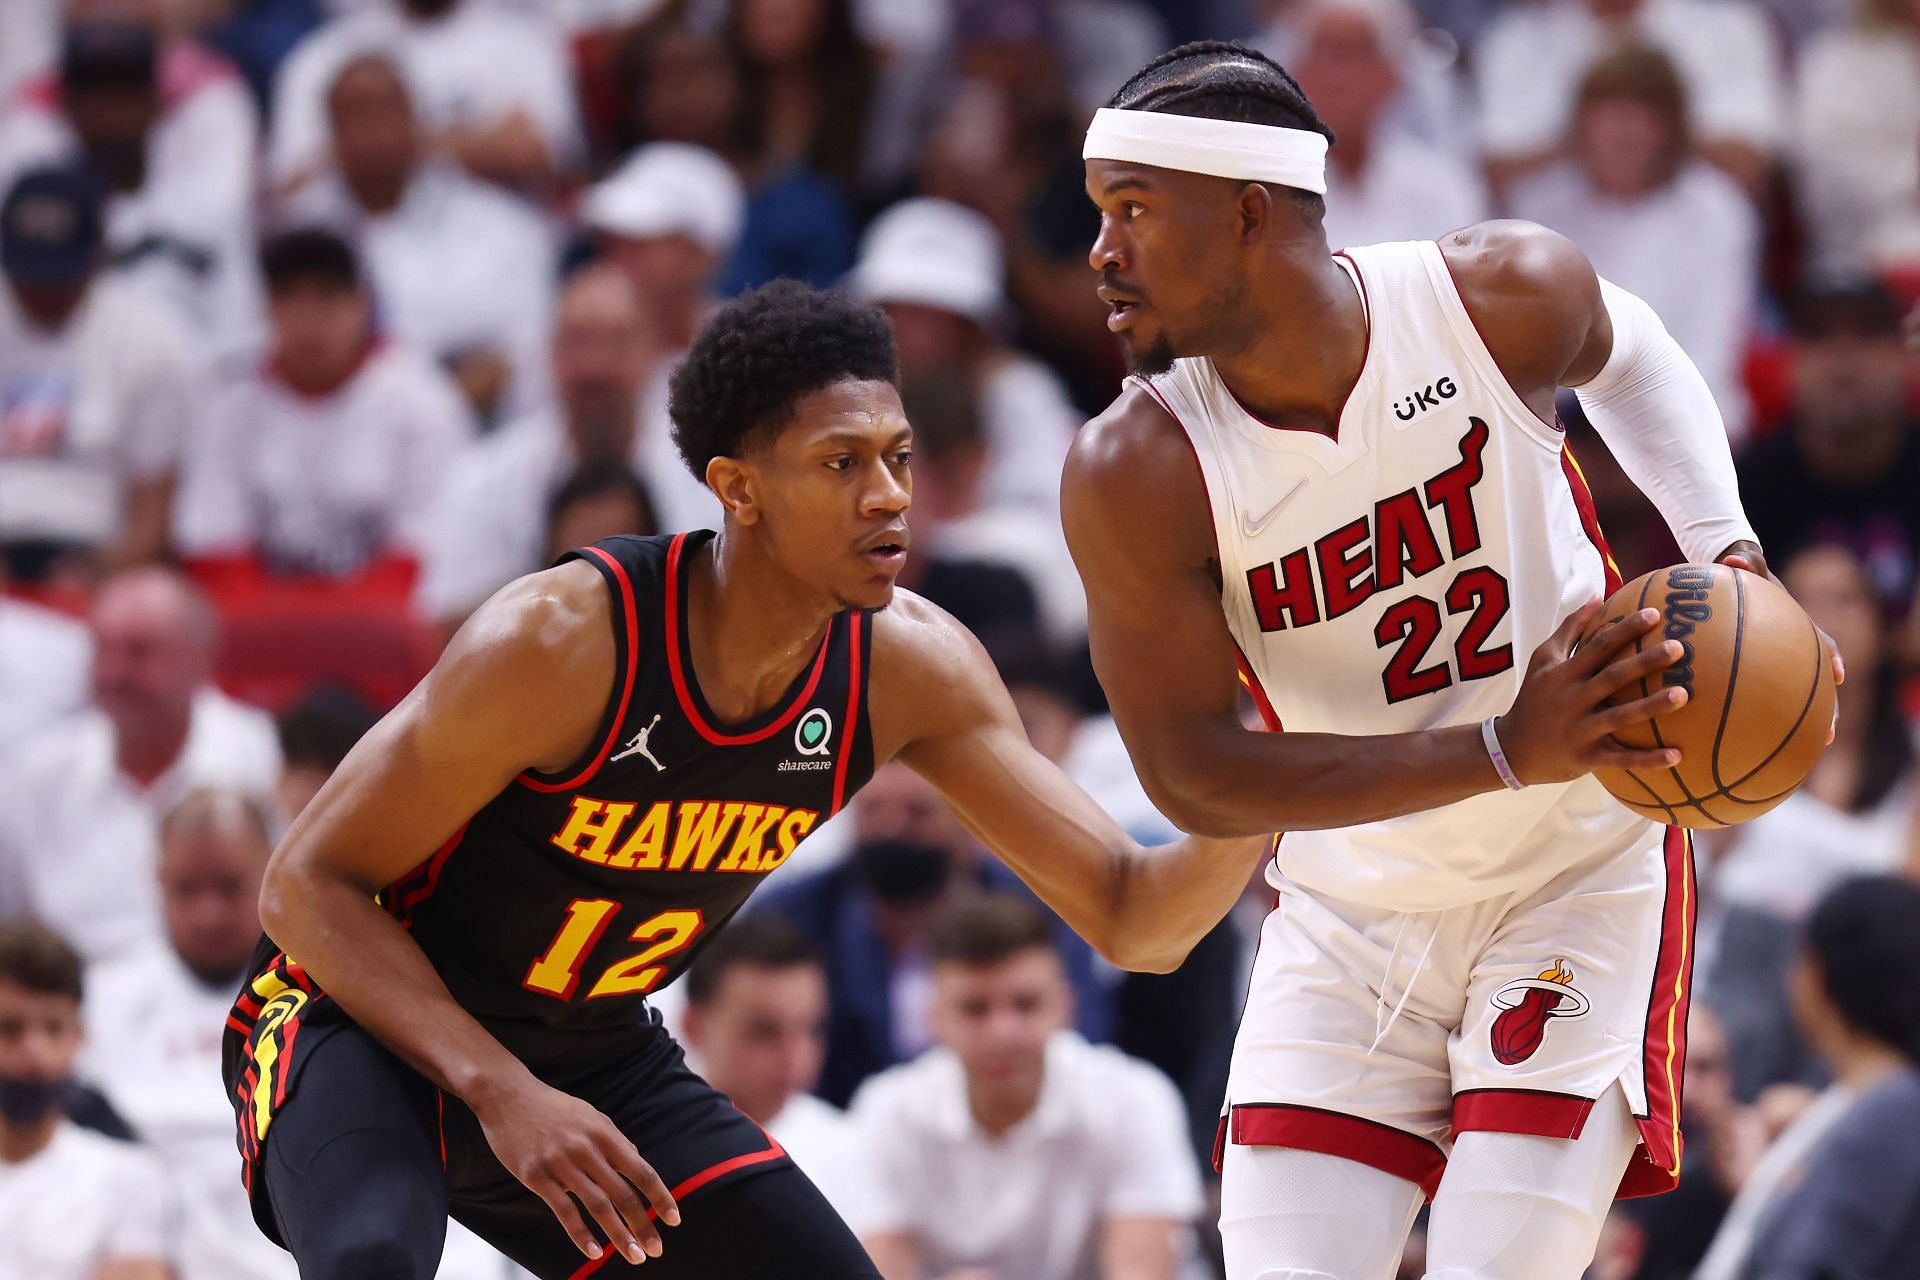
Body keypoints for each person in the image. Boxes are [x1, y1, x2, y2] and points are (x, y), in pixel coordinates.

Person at [224, 278, 1672, 1278]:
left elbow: (1136, 914)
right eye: (842, 463)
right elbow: (305, 886)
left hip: (589, 1053)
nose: (890, 497)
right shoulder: (565, 638)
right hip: (369, 1026)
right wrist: (494, 1087)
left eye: (902, 458)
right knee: (367, 1261)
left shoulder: (909, 664)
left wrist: (1289, 754)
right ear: (737, 490)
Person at [1067, 41, 1818, 1279]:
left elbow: (1630, 351)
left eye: (1134, 210)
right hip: (1349, 916)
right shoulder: (1134, 467)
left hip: (1577, 871)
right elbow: (1194, 777)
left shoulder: (1491, 296)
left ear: (1250, 214)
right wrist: (1496, 749)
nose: (1101, 252)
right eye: (1104, 216)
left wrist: (1729, 550)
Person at [848, 894, 1205, 1280]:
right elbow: (882, 1267)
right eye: (975, 1008)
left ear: (1066, 1006)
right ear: (933, 1017)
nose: (1003, 1033)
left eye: (1025, 1004)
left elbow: (1142, 1272)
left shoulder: (1134, 1099)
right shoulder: (887, 1110)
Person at [0, 567, 281, 962]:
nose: (114, 674)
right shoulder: (35, 775)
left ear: (200, 659)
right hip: (73, 1011)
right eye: (102, 651)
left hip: (236, 1004)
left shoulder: (268, 759)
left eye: (139, 652)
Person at [416, 264, 715, 631]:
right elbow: (443, 619)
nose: (595, 365)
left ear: (652, 353)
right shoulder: (482, 476)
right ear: (549, 354)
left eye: (617, 341)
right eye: (579, 341)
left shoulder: (707, 479)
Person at [173, 226, 475, 579]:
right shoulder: (228, 402)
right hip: (260, 618)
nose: (309, 320)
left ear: (363, 304)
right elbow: (212, 551)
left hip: (388, 618)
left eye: (328, 296)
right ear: (267, 308)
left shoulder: (421, 398)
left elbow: (433, 552)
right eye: (290, 297)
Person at [279, 53, 557, 424]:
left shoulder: (495, 225)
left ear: (417, 122)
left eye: (385, 111)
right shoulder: (293, 230)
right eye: (353, 114)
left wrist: (427, 416)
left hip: (471, 424)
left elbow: (519, 352)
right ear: (329, 133)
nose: (371, 129)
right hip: (323, 430)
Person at [1507, 46, 1757, 443]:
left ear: (1672, 130)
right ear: (1582, 125)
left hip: (1681, 416)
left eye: (1644, 115)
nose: (1625, 130)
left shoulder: (1715, 208)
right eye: (1611, 113)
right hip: (1564, 423)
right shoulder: (1538, 206)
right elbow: (1529, 346)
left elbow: (1714, 343)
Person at [1694, 876, 1920, 1279]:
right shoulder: (1855, 1103)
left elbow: (1812, 1264)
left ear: (1814, 971)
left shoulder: (1891, 1111)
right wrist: (1759, 1185)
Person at [0, 162, 199, 581]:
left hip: (97, 560)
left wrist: (92, 574)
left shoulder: (153, 338)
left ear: (99, 254)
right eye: (27, 272)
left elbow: (153, 518)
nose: (40, 289)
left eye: (56, 275)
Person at [1738, 271, 1920, 621]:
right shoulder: (1750, 483)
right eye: (1819, 336)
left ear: (1904, 358)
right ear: (1787, 363)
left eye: (1866, 335)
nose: (1844, 359)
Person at [1473, 0, 1785, 197]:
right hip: (1557, 238)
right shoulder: (1518, 38)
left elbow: (1746, 166)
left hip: (1696, 237)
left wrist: (1634, 140)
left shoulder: (1727, 27)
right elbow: (1496, 173)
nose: (1626, 129)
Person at [0, 920, 169, 1280]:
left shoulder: (129, 1178)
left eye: (54, 1028)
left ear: (80, 1035)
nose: (36, 1053)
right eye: (10, 1028)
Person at [677, 915, 864, 1217]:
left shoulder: (846, 1147)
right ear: (693, 1027)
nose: (795, 1057)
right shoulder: (640, 1149)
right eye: (764, 1031)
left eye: (811, 1028)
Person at [1287, 0, 1488, 248]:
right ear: (1295, 73)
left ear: (1394, 76)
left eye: (1360, 54)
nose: (1340, 78)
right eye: (1323, 54)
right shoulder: (1272, 191)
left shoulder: (1442, 190)